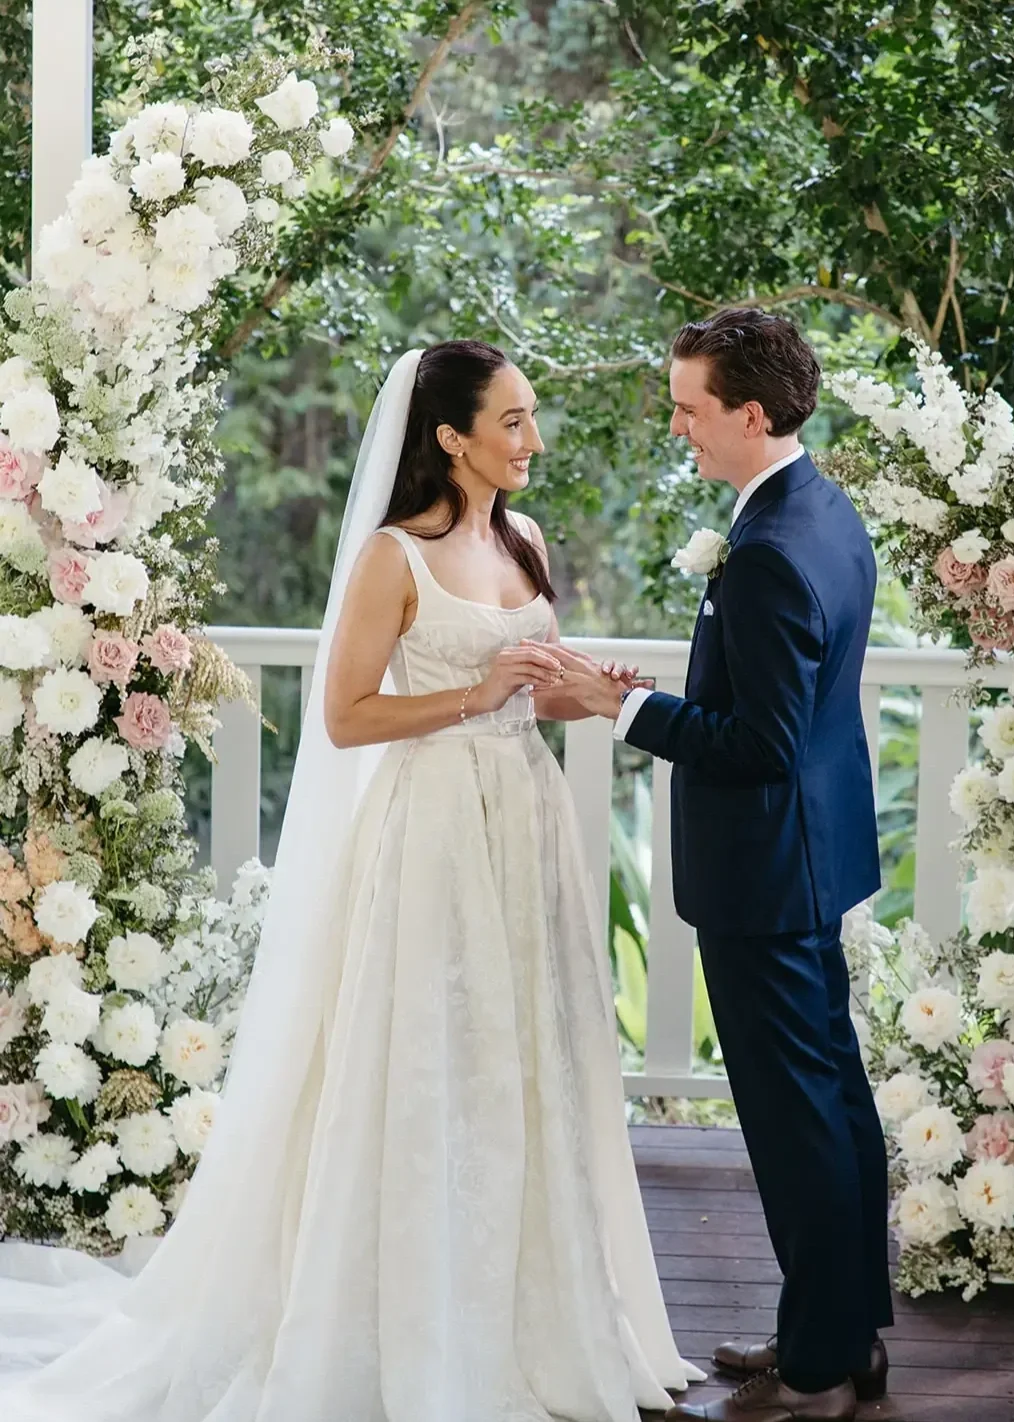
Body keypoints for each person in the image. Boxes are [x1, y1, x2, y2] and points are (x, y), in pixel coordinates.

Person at [0, 341, 704, 1420]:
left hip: (523, 819)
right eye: (512, 420)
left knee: (529, 1049)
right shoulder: (392, 557)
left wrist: (593, 691)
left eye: (530, 417)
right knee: (432, 1049)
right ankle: (412, 1322)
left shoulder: (523, 540)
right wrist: (476, 694)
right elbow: (346, 716)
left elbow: (533, 695)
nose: (532, 439)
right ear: (450, 437)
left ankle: (534, 1316)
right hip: (433, 829)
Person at [536, 311, 893, 1422]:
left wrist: (619, 707)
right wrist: (651, 695)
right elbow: (779, 706)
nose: (677, 425)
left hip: (767, 878)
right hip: (810, 859)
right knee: (830, 1102)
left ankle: (818, 1366)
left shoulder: (770, 551)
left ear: (749, 412)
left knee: (796, 1122)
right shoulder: (817, 507)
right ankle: (839, 1333)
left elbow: (757, 744)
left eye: (690, 407)